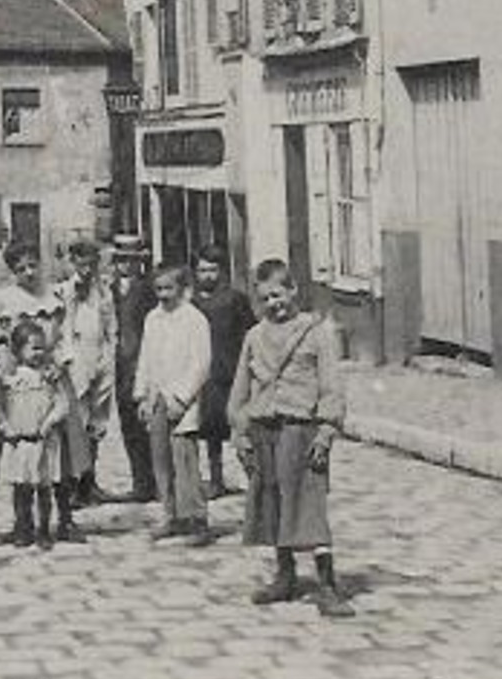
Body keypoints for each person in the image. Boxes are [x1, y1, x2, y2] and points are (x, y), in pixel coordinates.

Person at [228, 258, 353, 619]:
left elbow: (332, 386)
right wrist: (240, 432)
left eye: (279, 295)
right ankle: (285, 576)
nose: (273, 304)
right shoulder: (254, 336)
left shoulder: (317, 333)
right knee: (272, 504)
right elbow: (240, 391)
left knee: (311, 506)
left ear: (294, 290)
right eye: (265, 298)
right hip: (265, 429)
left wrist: (327, 431)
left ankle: (328, 585)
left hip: (303, 432)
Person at [0, 240, 88, 541]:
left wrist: (61, 364)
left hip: (52, 376)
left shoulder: (54, 296)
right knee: (20, 452)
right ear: (12, 271)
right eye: (21, 269)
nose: (29, 273)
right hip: (20, 383)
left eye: (33, 265)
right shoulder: (5, 299)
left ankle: (65, 518)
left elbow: (65, 335)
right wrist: (7, 372)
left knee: (62, 451)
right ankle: (22, 523)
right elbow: (1, 341)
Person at [133, 264, 215, 547]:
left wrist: (182, 397)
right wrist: (142, 395)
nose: (164, 295)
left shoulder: (194, 319)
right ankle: (171, 514)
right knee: (161, 460)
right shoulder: (152, 319)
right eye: (159, 289)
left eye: (169, 288)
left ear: (183, 288)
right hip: (156, 398)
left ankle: (196, 518)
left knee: (184, 460)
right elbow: (145, 358)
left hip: (182, 403)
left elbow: (200, 364)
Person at [0, 320, 69, 549]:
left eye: (42, 347)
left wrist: (50, 422)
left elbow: (62, 403)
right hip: (19, 443)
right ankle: (23, 527)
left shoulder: (49, 376)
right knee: (21, 489)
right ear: (18, 350)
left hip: (43, 441)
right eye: (34, 348)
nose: (39, 353)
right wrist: (5, 427)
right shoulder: (8, 378)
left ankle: (43, 530)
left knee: (44, 487)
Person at [54, 239, 118, 508]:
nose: (87, 269)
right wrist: (66, 358)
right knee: (75, 422)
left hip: (100, 356)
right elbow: (62, 328)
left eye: (92, 264)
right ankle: (70, 482)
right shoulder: (64, 291)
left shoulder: (103, 290)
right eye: (82, 264)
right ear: (73, 263)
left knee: (97, 422)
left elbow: (111, 324)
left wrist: (110, 352)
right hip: (76, 357)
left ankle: (89, 482)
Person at [191, 243, 257, 500]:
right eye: (202, 270)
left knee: (240, 427)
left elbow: (250, 332)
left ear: (221, 271)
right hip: (206, 375)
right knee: (210, 430)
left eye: (212, 270)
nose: (207, 275)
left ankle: (254, 477)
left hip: (230, 372)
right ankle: (216, 479)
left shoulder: (235, 299)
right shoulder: (193, 303)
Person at [110, 236, 158, 503]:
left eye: (131, 260)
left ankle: (155, 481)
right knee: (128, 423)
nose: (126, 265)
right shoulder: (109, 289)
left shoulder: (149, 290)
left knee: (148, 424)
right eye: (120, 260)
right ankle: (139, 481)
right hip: (118, 364)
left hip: (143, 360)